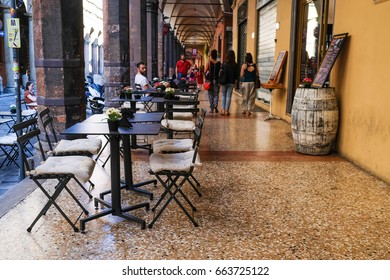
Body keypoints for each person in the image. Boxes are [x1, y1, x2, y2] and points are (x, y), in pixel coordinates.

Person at [220, 50, 239, 116]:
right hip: (231, 82)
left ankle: (222, 110)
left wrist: (220, 82)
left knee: (223, 95)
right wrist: (236, 83)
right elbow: (237, 75)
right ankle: (227, 111)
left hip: (224, 82)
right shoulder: (235, 64)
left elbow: (221, 73)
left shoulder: (224, 63)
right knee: (228, 96)